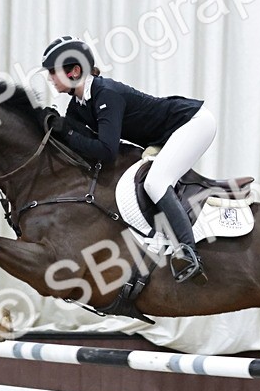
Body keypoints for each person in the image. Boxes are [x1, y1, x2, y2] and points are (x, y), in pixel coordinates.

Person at [40, 35, 215, 283]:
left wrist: (66, 131)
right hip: (165, 135)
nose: (50, 78)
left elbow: (106, 150)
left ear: (75, 71)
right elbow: (76, 142)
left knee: (155, 182)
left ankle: (188, 252)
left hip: (192, 123)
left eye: (53, 72)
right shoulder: (78, 104)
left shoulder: (106, 93)